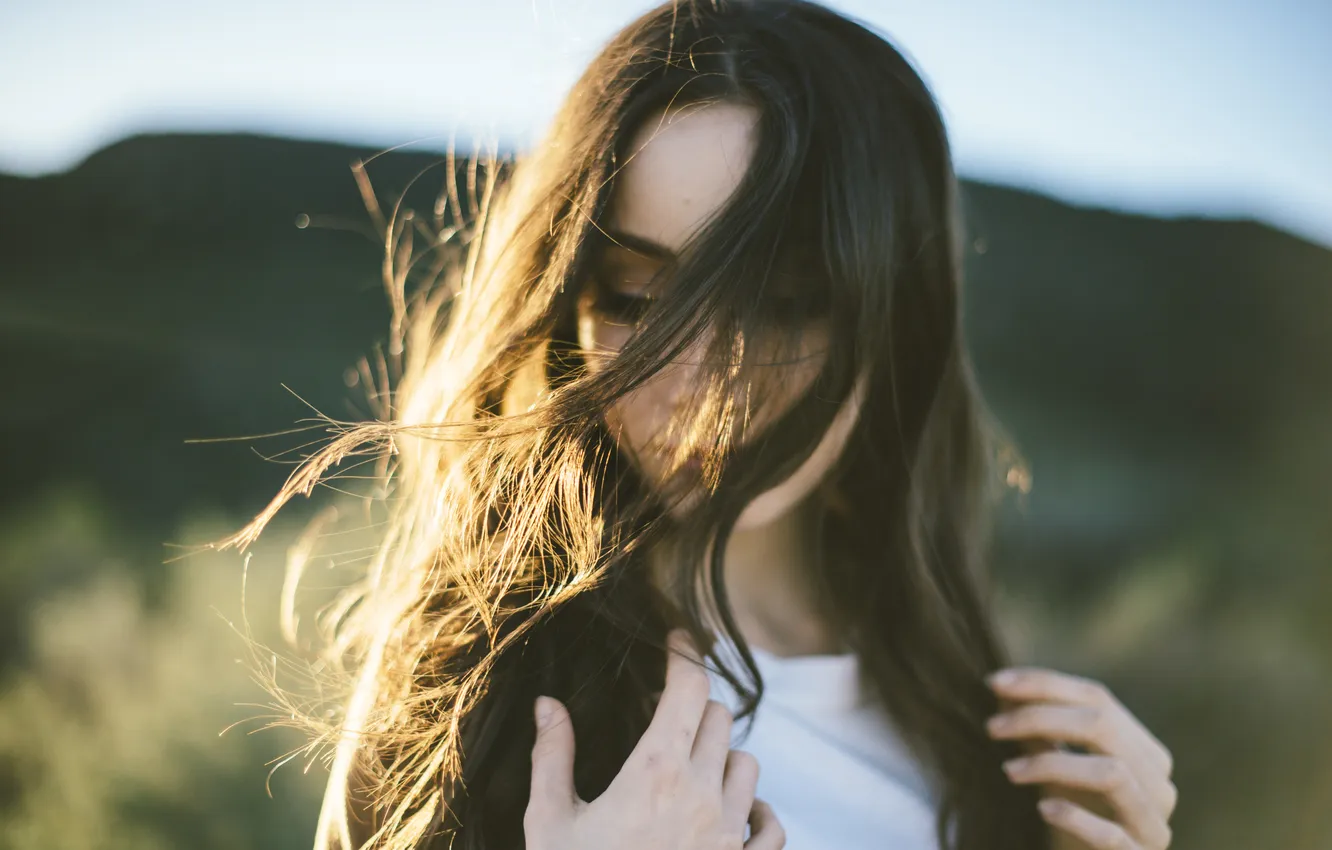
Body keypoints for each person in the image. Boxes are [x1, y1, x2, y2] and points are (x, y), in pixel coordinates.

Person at [223, 1, 1177, 848]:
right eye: (635, 298)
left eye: (786, 303)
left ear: (900, 327)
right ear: (563, 308)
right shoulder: (467, 684)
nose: (698, 386)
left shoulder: (989, 728)